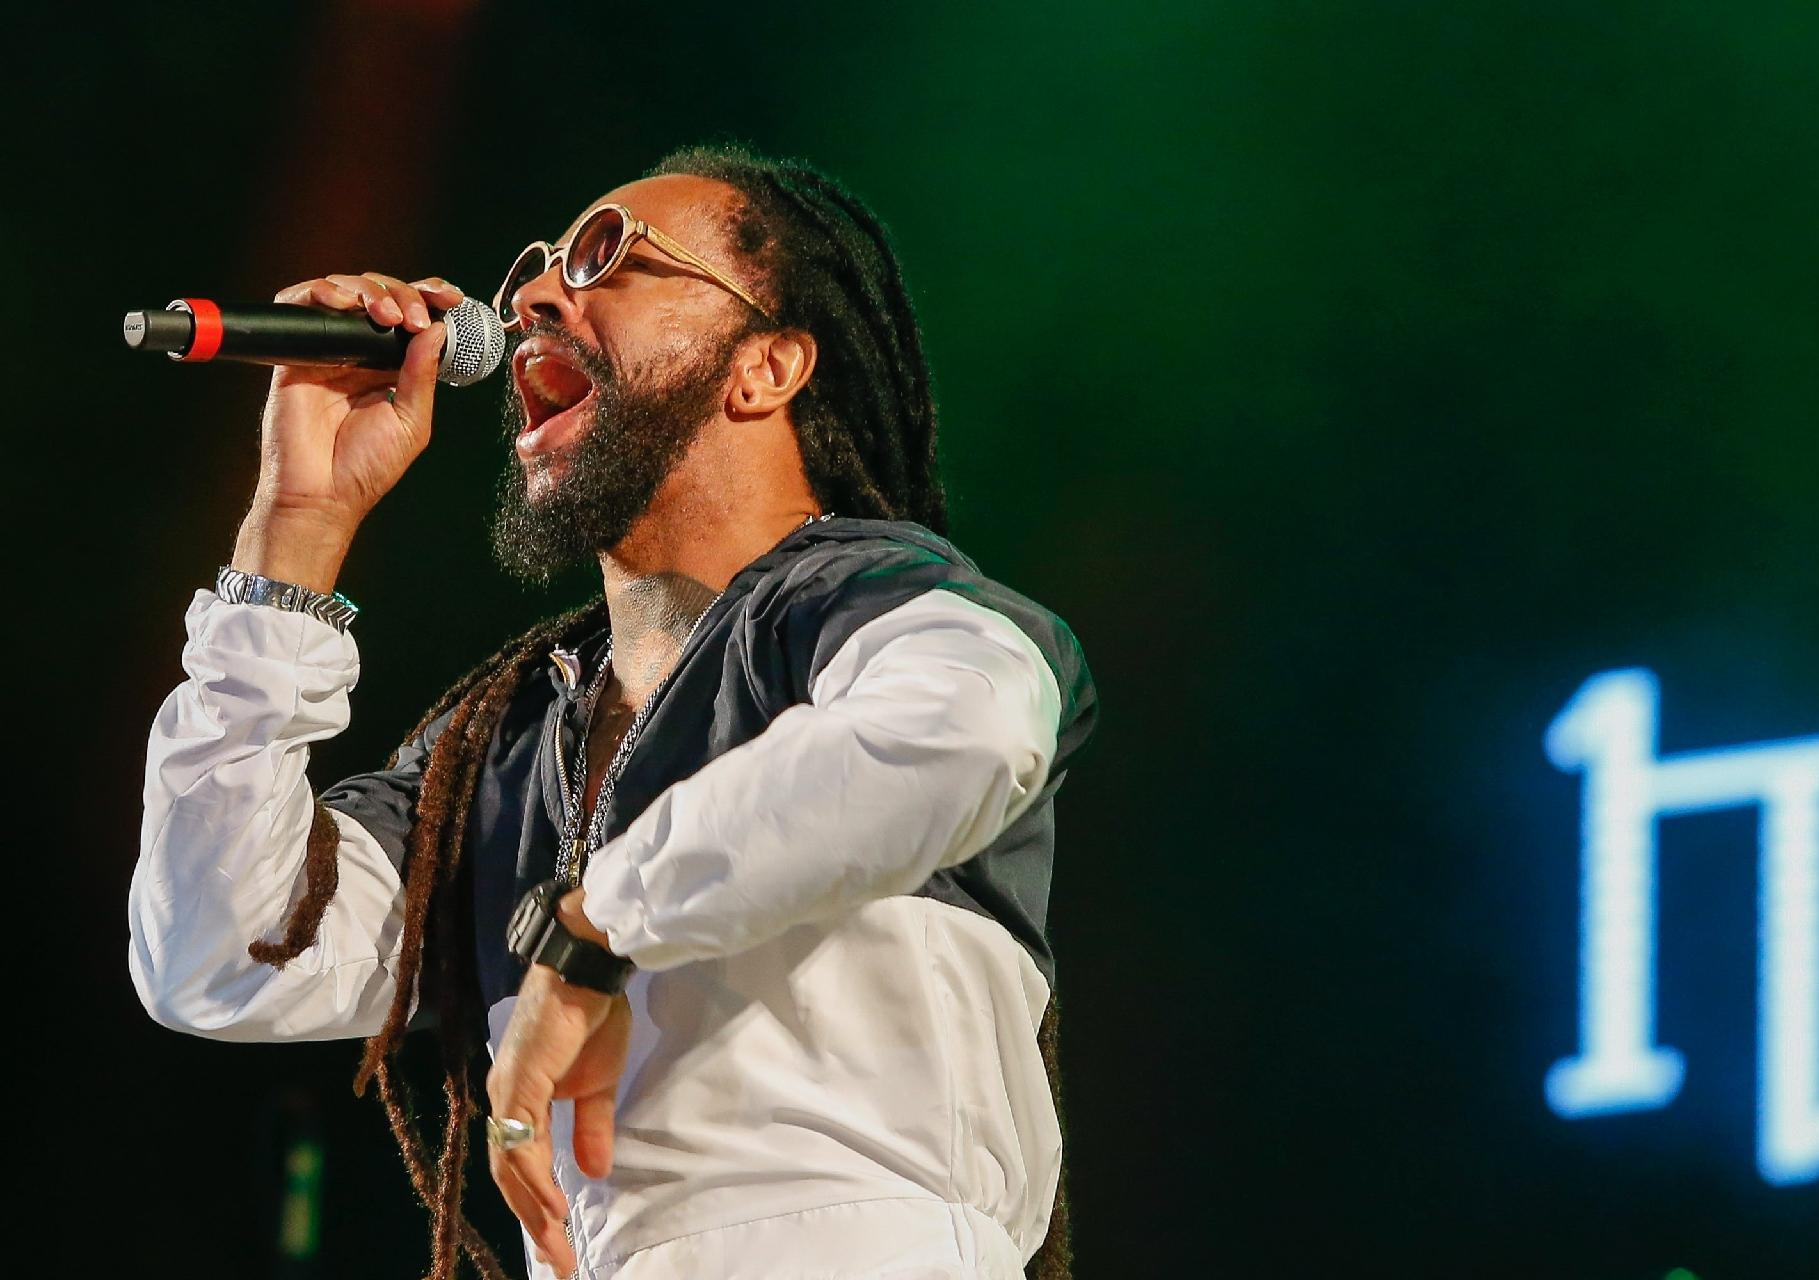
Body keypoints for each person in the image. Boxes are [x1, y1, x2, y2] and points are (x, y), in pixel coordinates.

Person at [127, 145, 1096, 1280]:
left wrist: (597, 924)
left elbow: (972, 725)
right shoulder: (500, 745)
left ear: (766, 367)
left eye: (602, 258)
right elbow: (216, 953)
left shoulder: (856, 600)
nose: (530, 295)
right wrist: (295, 527)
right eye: (532, 268)